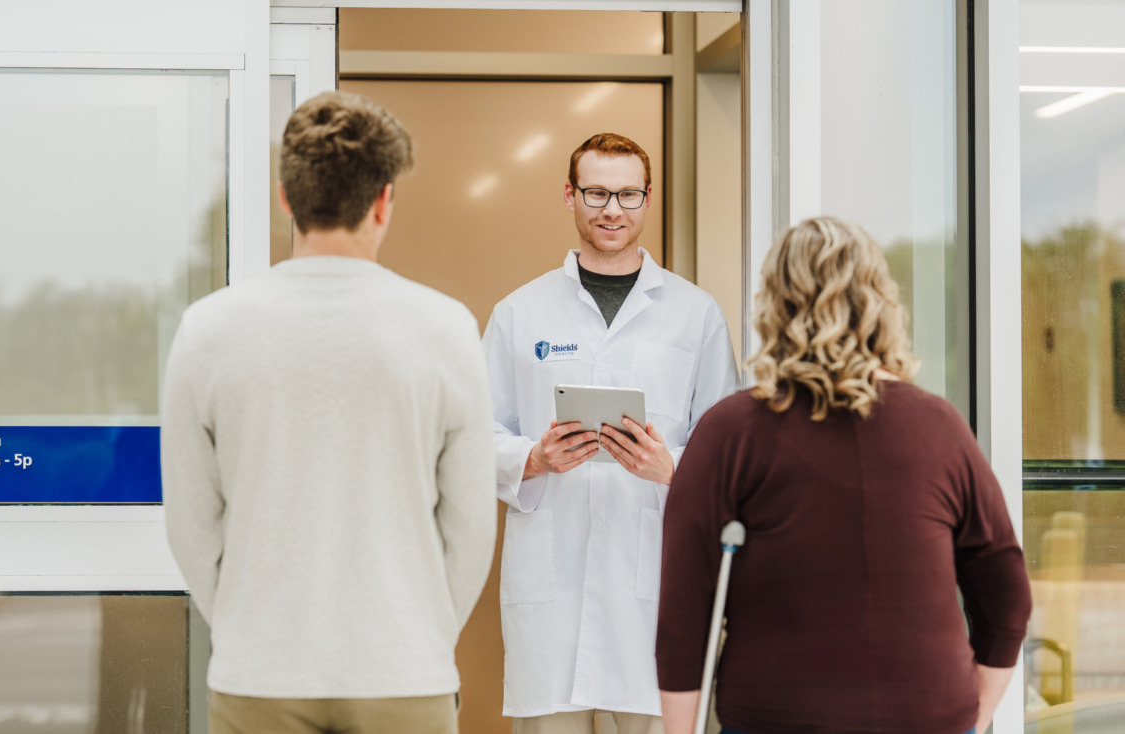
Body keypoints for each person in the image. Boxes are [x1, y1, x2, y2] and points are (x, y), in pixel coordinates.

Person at [161, 91, 498, 734]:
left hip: (258, 672)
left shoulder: (206, 330)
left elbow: (191, 528)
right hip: (404, 673)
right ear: (383, 201)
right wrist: (419, 634)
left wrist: (244, 626)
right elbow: (470, 528)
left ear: (286, 198)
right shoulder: (446, 329)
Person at [656, 217, 1033, 734]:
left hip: (776, 717)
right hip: (929, 716)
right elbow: (1007, 596)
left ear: (774, 306)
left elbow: (684, 617)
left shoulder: (729, 432)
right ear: (880, 302)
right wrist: (973, 714)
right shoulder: (939, 426)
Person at [484, 132, 739, 733]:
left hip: (652, 582)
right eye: (597, 192)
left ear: (648, 199)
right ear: (569, 196)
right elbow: (474, 433)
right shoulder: (519, 313)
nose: (612, 210)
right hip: (552, 588)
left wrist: (671, 466)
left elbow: (727, 448)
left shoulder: (694, 313)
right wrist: (533, 457)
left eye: (628, 194)